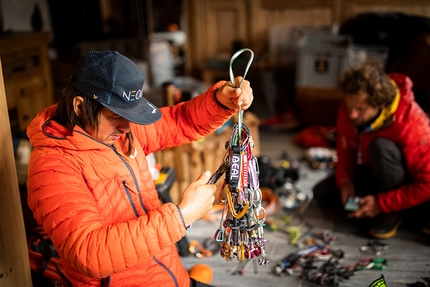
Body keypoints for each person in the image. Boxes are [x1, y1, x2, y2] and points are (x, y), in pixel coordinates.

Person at [26, 50, 254, 287]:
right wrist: (181, 216)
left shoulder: (119, 134)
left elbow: (179, 121)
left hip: (170, 277)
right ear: (80, 107)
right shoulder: (52, 168)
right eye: (116, 116)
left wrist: (219, 101)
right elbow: (89, 254)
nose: (127, 126)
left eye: (130, 114)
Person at [313, 62, 430, 239]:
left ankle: (396, 212)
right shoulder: (351, 107)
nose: (351, 115)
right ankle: (384, 207)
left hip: (409, 184)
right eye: (349, 106)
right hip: (379, 172)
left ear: (380, 104)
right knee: (322, 193)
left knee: (380, 146)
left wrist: (382, 204)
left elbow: (427, 184)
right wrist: (345, 181)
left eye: (360, 109)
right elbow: (346, 148)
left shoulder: (413, 125)